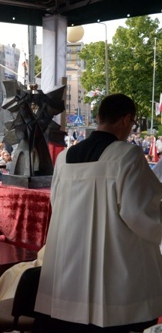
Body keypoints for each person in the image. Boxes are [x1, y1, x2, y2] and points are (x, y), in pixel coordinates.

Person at [35, 94, 162, 333]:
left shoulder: (64, 159)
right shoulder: (127, 156)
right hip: (116, 278)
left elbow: (56, 202)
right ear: (126, 119)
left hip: (69, 271)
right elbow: (142, 216)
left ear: (99, 118)